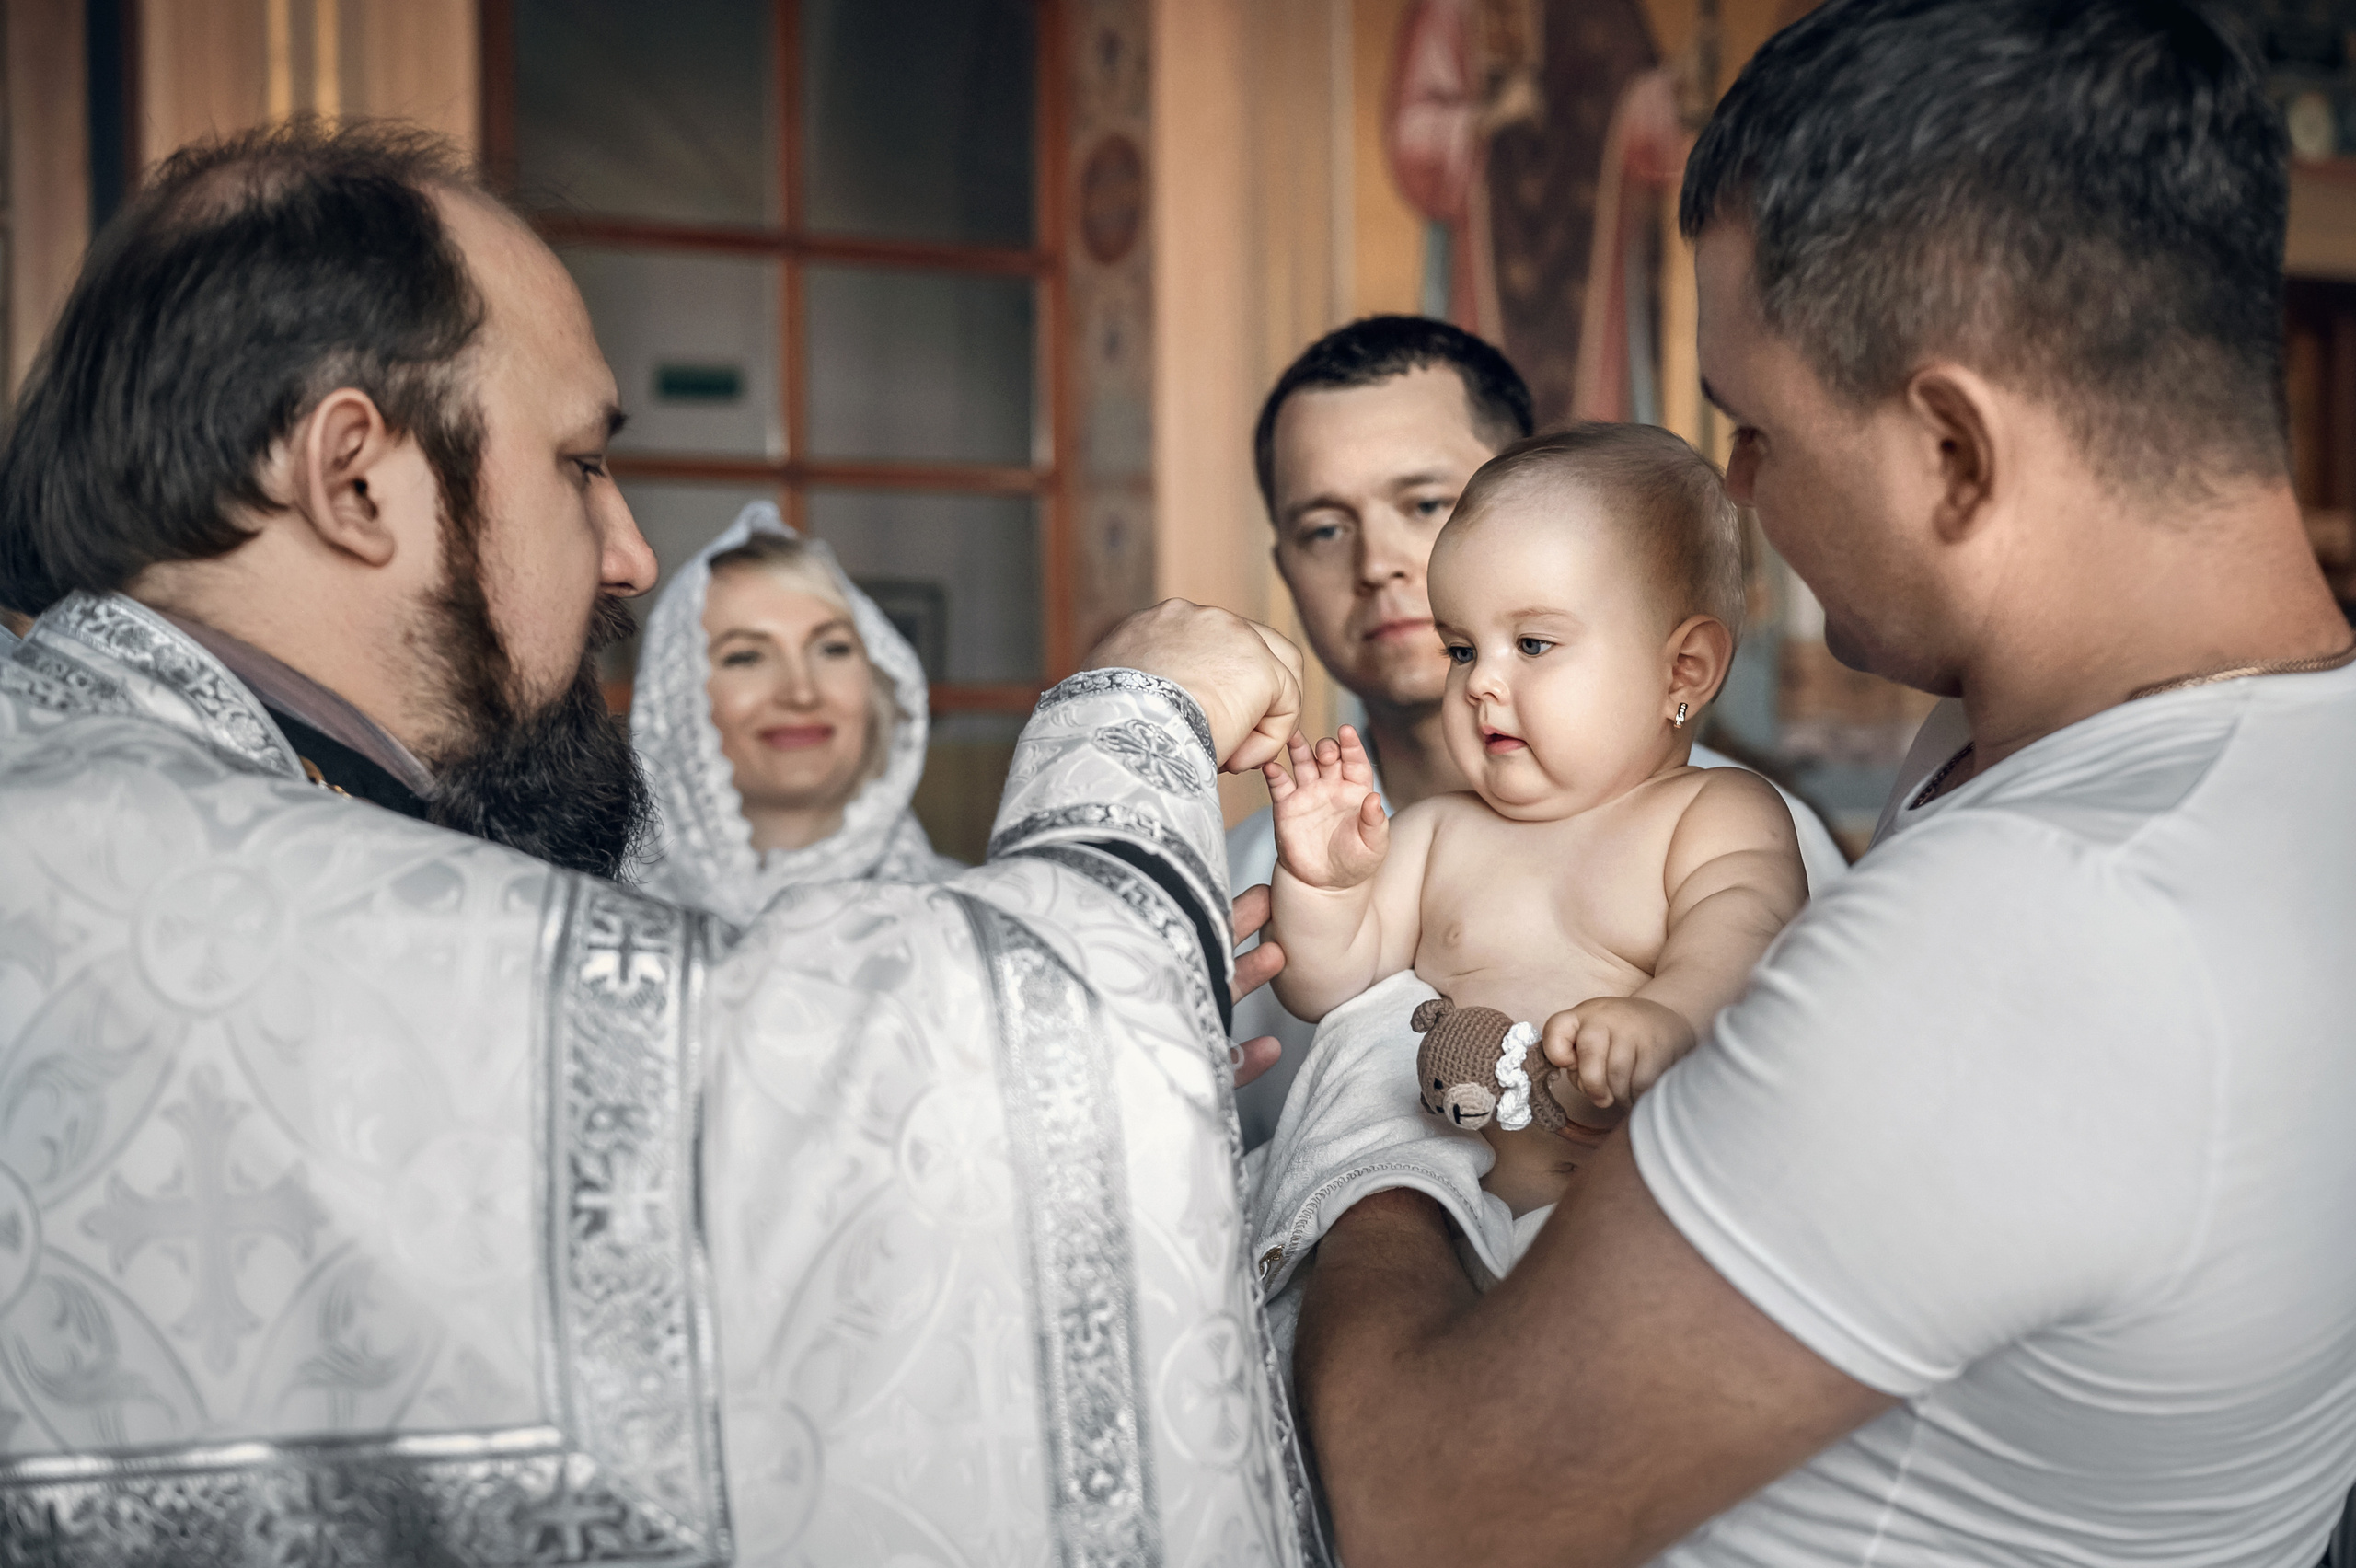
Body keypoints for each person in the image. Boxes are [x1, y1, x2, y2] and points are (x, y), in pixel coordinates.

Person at [0, 121, 1322, 1563]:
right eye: (579, 465)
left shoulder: (162, 782)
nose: (632, 552)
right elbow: (931, 1113)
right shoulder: (122, 861)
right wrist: (1139, 717)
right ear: (355, 478)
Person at [1292, 2, 2356, 1564]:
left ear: (1952, 451)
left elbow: (1422, 1504)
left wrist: (1373, 1113)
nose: (1734, 484)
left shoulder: (2061, 916)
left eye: (1755, 426)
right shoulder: (2135, 748)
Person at [1230, 315, 1844, 1147]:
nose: (1480, 678)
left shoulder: (1725, 819)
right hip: (1447, 1197)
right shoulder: (1424, 836)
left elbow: (1737, 938)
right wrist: (1325, 888)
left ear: (1684, 671)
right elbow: (1318, 980)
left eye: (1532, 643)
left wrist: (1665, 1016)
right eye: (1461, 647)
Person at [629, 501, 958, 926]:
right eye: (746, 657)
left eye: (832, 648)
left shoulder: (959, 924)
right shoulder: (595, 914)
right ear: (677, 700)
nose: (801, 692)